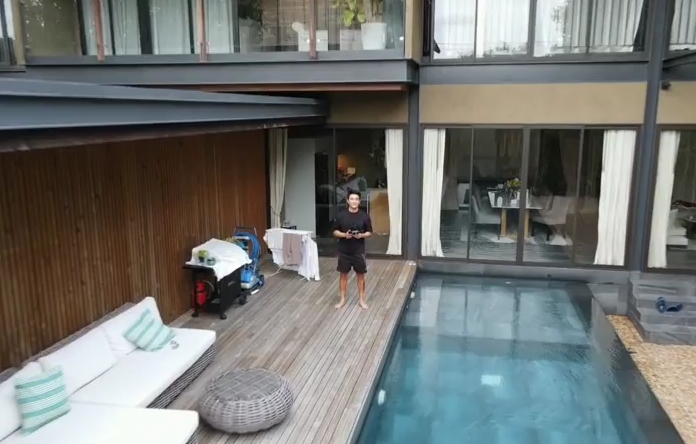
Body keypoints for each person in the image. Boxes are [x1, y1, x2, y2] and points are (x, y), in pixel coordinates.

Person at [332, 189, 372, 310]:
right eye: (352, 199)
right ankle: (342, 299)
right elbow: (334, 231)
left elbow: (369, 232)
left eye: (356, 199)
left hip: (358, 251)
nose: (354, 201)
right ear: (348, 201)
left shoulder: (364, 216)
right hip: (344, 251)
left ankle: (361, 300)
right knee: (343, 275)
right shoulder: (341, 215)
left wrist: (361, 235)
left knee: (360, 276)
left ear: (359, 201)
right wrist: (345, 235)